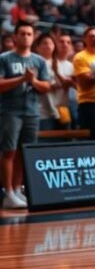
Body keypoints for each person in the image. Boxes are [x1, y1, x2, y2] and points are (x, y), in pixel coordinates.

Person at [0, 21, 51, 209]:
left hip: (31, 112)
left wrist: (33, 82)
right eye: (22, 33)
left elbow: (46, 87)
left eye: (29, 34)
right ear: (14, 37)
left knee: (23, 152)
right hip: (10, 112)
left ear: (33, 37)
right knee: (9, 151)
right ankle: (7, 192)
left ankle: (17, 189)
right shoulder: (5, 58)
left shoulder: (39, 61)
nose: (26, 37)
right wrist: (22, 79)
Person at [73, 27, 95, 138]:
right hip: (89, 103)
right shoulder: (80, 57)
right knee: (92, 137)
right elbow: (85, 82)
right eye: (92, 36)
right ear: (85, 39)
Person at [33, 33, 61, 130]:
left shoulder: (61, 63)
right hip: (42, 111)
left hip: (62, 110)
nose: (48, 46)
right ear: (37, 47)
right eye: (44, 43)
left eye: (50, 43)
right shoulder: (34, 64)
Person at [54, 32, 76, 128]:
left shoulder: (72, 66)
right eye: (61, 42)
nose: (65, 44)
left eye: (68, 42)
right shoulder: (48, 63)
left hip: (66, 108)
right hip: (49, 108)